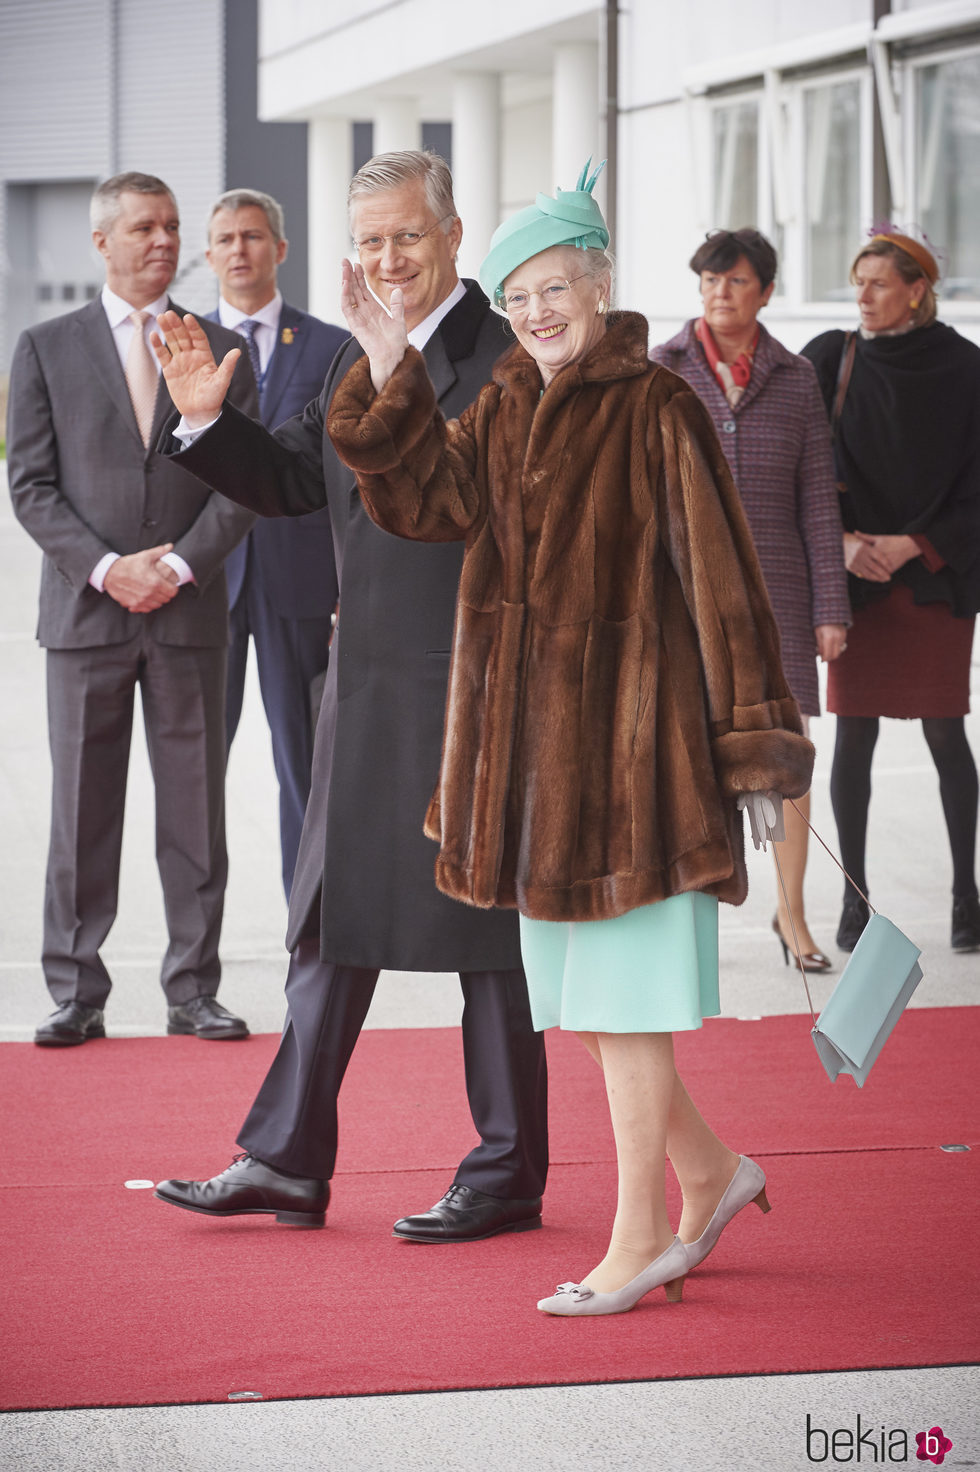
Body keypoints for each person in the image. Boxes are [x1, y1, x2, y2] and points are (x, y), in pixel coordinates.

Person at [319, 162, 814, 1314]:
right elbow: (419, 503)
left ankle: (640, 1237)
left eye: (557, 286)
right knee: (586, 1012)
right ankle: (711, 1171)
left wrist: (751, 744)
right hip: (532, 777)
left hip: (636, 773)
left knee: (626, 1011)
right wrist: (388, 361)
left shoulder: (657, 404)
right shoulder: (501, 403)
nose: (539, 310)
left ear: (597, 283)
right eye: (521, 292)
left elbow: (724, 583)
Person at [151, 151, 548, 1240]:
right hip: (362, 686)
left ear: (454, 235)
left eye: (405, 237)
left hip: (473, 688)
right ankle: (284, 1157)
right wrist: (204, 423)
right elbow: (288, 478)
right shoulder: (347, 362)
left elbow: (477, 515)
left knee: (487, 935)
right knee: (327, 922)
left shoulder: (507, 361)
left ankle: (508, 1168)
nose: (386, 260)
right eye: (368, 241)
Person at [6, 171, 257, 1046]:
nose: (164, 241)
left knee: (196, 810)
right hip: (86, 616)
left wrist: (180, 567)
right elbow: (30, 486)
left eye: (172, 226)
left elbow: (243, 483)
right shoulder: (44, 347)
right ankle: (77, 991)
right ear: (102, 241)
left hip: (189, 614)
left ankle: (194, 989)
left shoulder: (222, 346)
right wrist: (110, 568)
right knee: (83, 810)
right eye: (145, 227)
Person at [651, 229, 850, 971]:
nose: (720, 292)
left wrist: (832, 606)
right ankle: (688, 922)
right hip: (684, 597)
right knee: (689, 759)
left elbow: (817, 503)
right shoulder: (658, 370)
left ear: (765, 291)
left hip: (781, 600)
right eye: (709, 279)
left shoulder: (796, 379)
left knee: (788, 758)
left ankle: (793, 916)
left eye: (736, 281)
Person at [802, 231, 980, 954]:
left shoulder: (967, 366)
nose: (863, 297)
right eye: (858, 283)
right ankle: (855, 898)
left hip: (935, 573)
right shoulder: (832, 357)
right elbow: (805, 461)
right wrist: (843, 543)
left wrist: (916, 544)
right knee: (854, 733)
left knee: (945, 732)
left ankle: (966, 896)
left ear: (917, 287)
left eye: (878, 283)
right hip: (857, 576)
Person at [205, 188, 346, 897]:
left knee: (303, 763)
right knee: (196, 771)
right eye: (226, 238)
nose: (240, 249)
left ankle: (308, 917)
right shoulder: (179, 344)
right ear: (209, 256)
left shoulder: (328, 347)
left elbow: (349, 475)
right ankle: (194, 953)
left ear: (280, 249)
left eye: (254, 236)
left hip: (300, 582)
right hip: (204, 582)